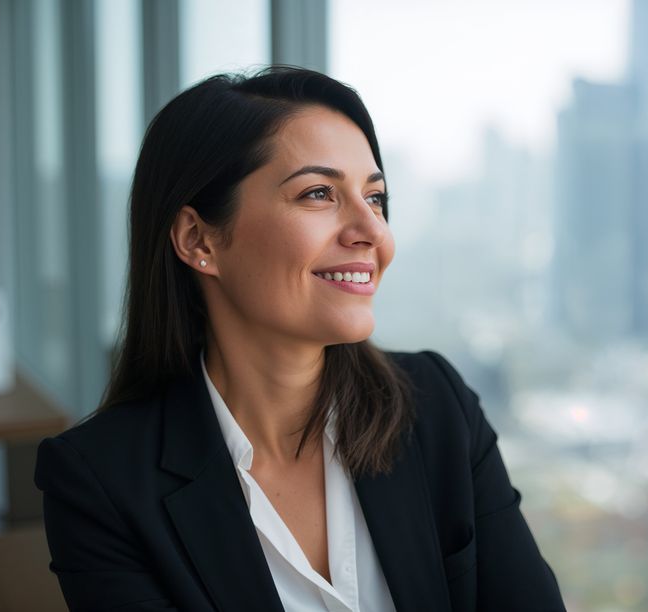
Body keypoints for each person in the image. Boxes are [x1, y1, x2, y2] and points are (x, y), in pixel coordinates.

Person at [34, 66, 566, 612]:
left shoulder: (437, 409)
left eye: (376, 197)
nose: (373, 231)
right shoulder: (99, 481)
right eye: (318, 194)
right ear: (199, 239)